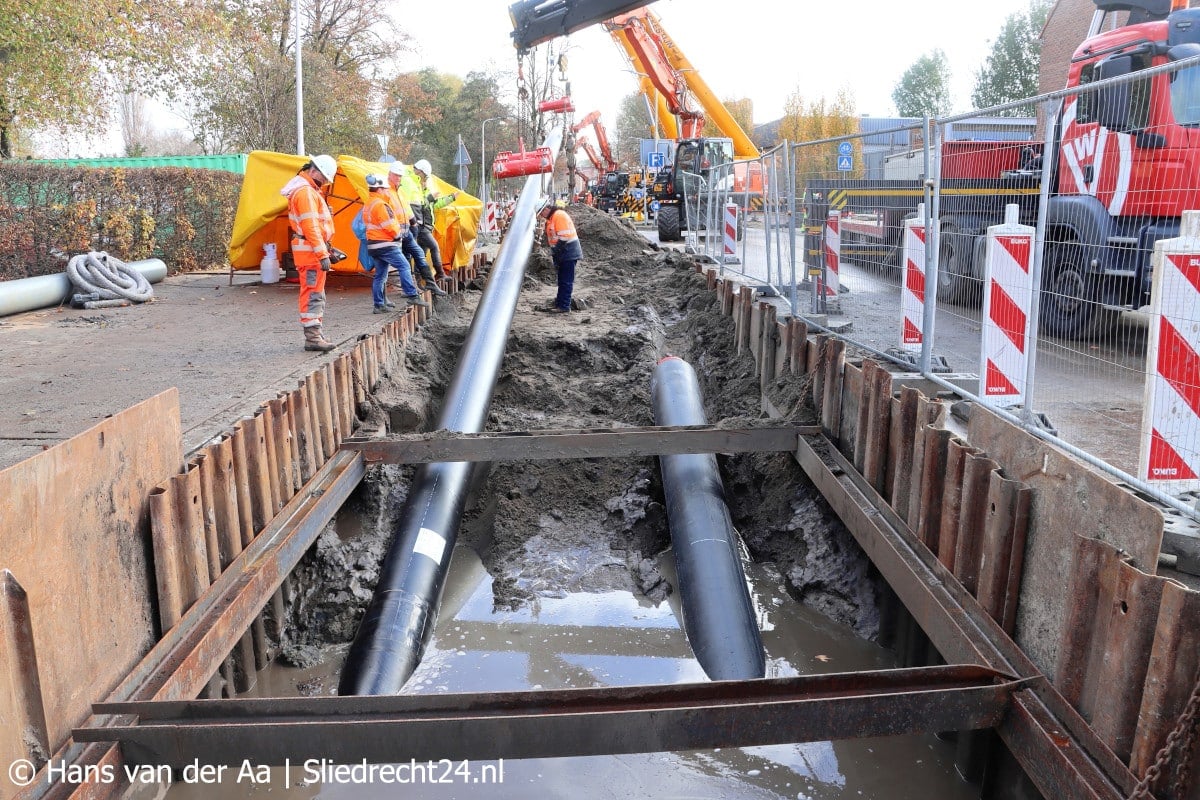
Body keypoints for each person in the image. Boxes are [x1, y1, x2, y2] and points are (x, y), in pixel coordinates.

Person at [282, 154, 341, 352]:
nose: (324, 183)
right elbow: (310, 226)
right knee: (313, 294)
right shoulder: (305, 192)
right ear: (313, 170)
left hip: (310, 251)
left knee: (316, 293)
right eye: (323, 178)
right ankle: (313, 337)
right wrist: (322, 253)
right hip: (310, 253)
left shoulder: (307, 191)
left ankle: (315, 334)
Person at [361, 174, 426, 312]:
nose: (387, 191)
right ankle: (412, 294)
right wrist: (398, 235)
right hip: (386, 244)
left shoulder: (368, 204)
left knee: (380, 275)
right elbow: (390, 225)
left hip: (374, 245)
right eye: (385, 189)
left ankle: (378, 305)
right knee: (404, 266)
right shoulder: (381, 205)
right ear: (379, 189)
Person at [387, 163, 446, 296]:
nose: (398, 178)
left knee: (415, 255)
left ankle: (422, 285)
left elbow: (407, 207)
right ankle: (411, 289)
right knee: (408, 259)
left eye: (399, 176)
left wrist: (413, 221)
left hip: (410, 228)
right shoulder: (395, 189)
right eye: (396, 175)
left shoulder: (404, 188)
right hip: (401, 231)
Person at [408, 159, 458, 281]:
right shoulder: (413, 188)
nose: (425, 180)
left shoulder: (423, 190)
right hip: (422, 227)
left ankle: (419, 281)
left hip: (426, 227)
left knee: (421, 255)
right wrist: (430, 198)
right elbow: (418, 205)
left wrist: (451, 198)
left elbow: (435, 205)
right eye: (424, 177)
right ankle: (440, 274)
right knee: (434, 247)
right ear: (419, 173)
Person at [537, 198, 582, 313]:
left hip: (569, 252)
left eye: (542, 212)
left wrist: (555, 251)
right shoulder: (551, 218)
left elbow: (564, 237)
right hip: (563, 253)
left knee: (566, 280)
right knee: (562, 280)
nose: (542, 215)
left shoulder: (559, 216)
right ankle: (560, 304)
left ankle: (564, 306)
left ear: (547, 209)